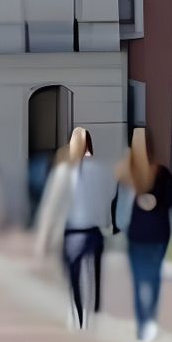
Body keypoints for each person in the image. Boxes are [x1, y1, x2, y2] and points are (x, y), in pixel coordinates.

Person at [35, 128, 114, 330]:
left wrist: (43, 242)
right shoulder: (101, 170)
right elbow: (109, 198)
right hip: (95, 231)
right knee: (92, 276)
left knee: (74, 276)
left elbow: (51, 207)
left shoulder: (63, 171)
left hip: (72, 233)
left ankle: (78, 315)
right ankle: (89, 316)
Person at [114, 127, 172, 342]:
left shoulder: (126, 174)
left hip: (136, 233)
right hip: (159, 232)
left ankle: (142, 322)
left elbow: (121, 211)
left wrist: (119, 228)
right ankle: (151, 319)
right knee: (153, 277)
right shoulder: (163, 174)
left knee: (139, 279)